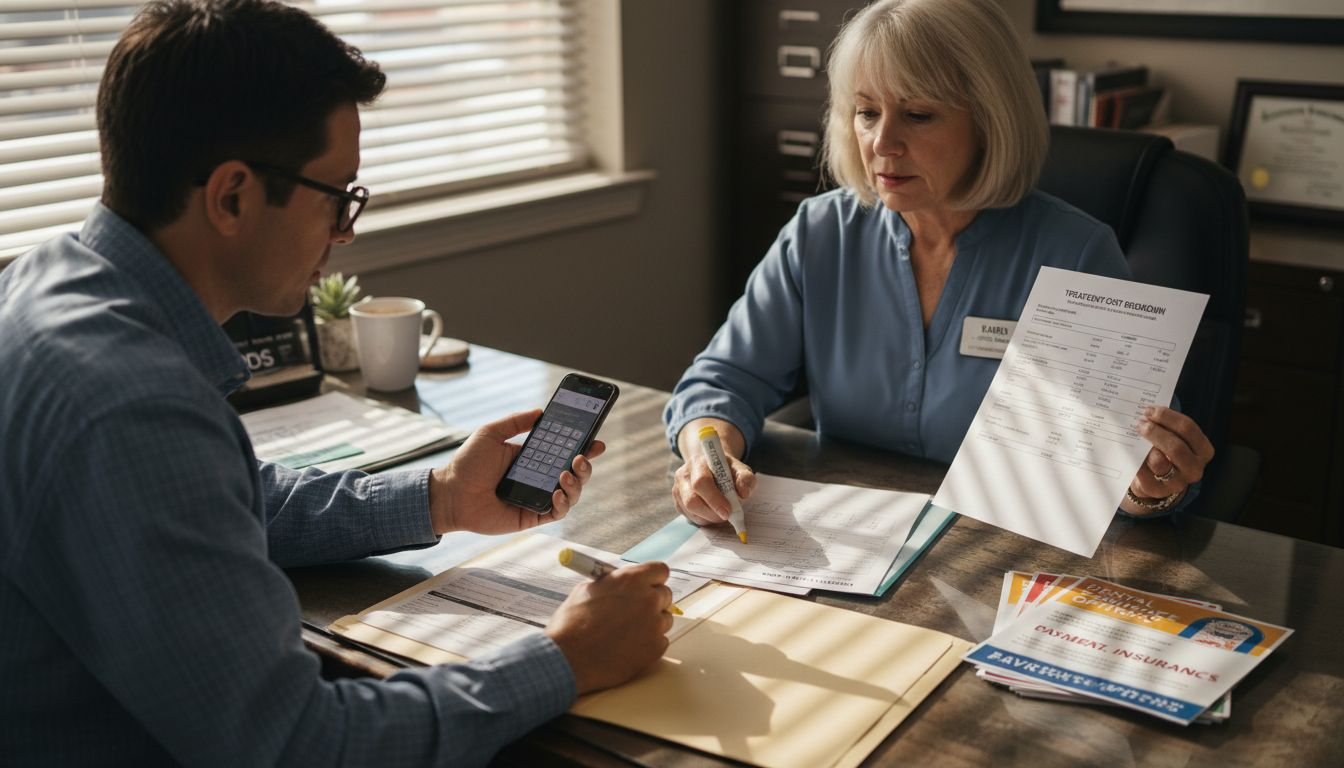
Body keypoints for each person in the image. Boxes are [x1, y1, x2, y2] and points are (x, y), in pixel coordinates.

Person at [0, 1, 673, 764]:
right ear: (232, 197)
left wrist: (440, 497)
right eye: (338, 196)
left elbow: (225, 500)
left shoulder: (50, 279)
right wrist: (568, 659)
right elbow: (299, 745)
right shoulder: (133, 405)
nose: (347, 232)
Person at [664, 0, 1214, 527]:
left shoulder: (1076, 253)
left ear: (989, 122)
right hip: (850, 534)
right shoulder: (820, 233)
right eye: (866, 112)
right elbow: (723, 379)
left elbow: (1129, 469)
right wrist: (707, 457)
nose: (882, 142)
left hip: (1005, 549)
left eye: (919, 114)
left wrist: (1148, 489)